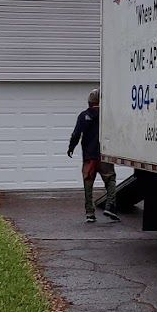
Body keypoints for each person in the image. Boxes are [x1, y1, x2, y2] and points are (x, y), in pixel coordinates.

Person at [68, 89, 119, 223]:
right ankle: (110, 206)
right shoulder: (108, 115)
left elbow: (76, 134)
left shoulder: (83, 116)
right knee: (110, 180)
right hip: (105, 155)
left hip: (89, 157)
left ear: (89, 102)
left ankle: (90, 213)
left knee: (88, 183)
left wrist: (71, 148)